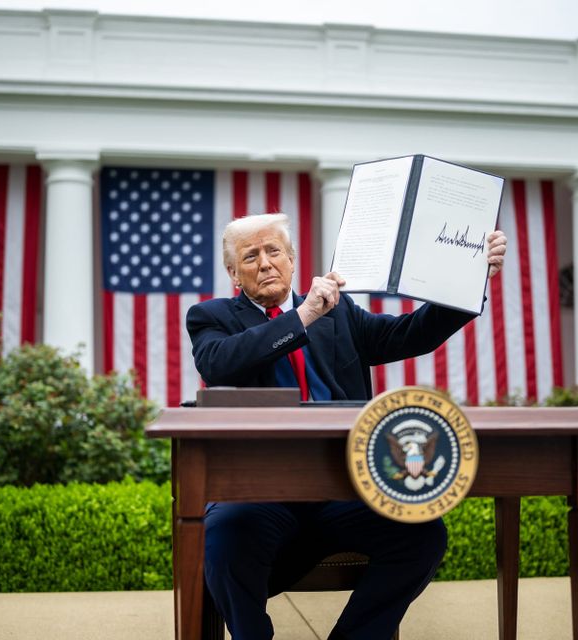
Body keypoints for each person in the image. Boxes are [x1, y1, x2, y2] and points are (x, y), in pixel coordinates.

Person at [186, 212, 507, 639]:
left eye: (273, 251)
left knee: (423, 534)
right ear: (233, 274)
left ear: (292, 259)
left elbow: (410, 334)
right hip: (261, 493)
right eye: (250, 256)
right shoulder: (211, 317)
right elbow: (219, 363)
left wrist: (469, 280)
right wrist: (302, 317)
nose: (265, 263)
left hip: (342, 487)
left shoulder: (339, 314)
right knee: (224, 532)